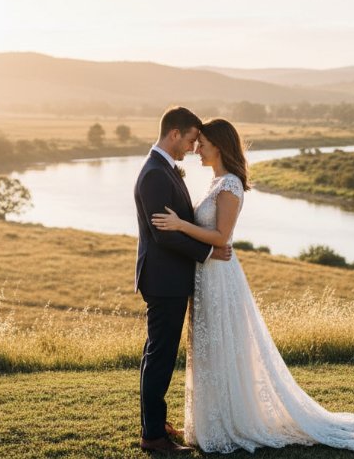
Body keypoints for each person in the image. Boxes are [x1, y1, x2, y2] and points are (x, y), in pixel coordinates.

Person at [152, 118, 354, 453]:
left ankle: (232, 422)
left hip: (220, 275)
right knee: (208, 351)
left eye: (203, 144)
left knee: (223, 345)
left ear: (219, 146)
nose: (197, 150)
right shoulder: (216, 181)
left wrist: (180, 225)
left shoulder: (230, 185)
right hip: (206, 273)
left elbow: (222, 237)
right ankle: (210, 422)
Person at [134, 106, 232, 453]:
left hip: (169, 278)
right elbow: (165, 235)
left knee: (157, 353)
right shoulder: (156, 174)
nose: (193, 148)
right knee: (160, 355)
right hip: (164, 280)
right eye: (191, 139)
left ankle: (156, 423)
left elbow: (177, 224)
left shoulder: (163, 169)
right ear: (174, 133)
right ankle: (153, 437)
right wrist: (207, 253)